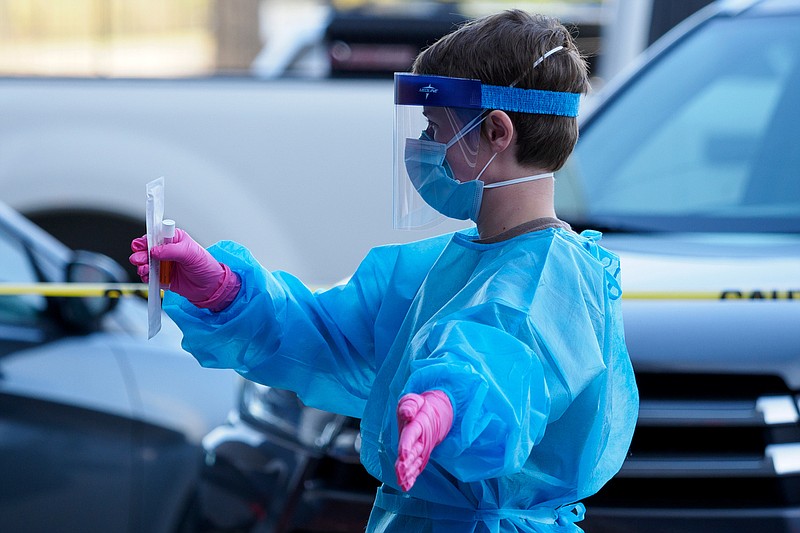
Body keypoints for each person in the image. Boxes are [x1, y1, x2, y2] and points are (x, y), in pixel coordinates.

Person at [130, 10, 638, 533]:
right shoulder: (440, 266)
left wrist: (446, 406)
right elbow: (326, 337)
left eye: (433, 128)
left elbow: (504, 363)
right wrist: (224, 289)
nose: (422, 145)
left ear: (494, 131)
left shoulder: (554, 276)